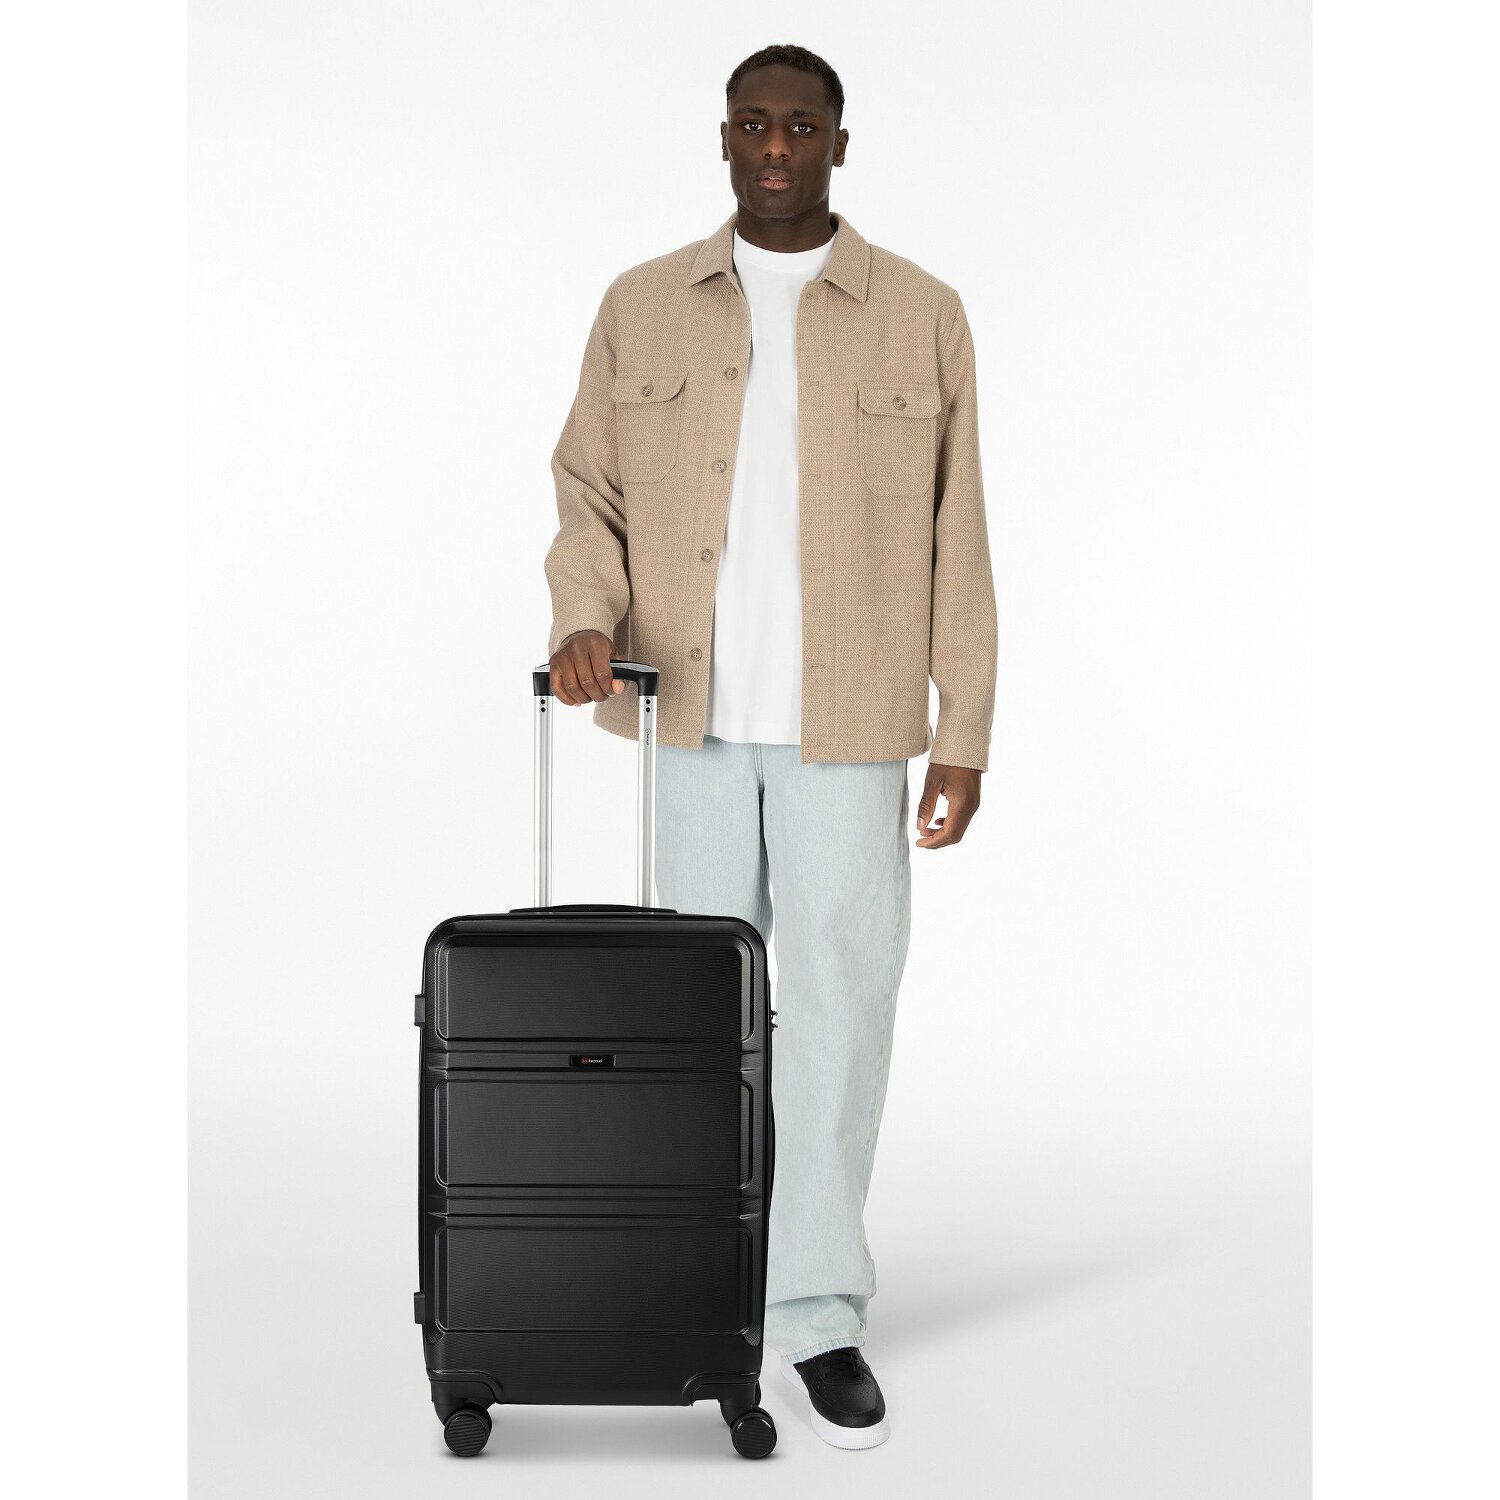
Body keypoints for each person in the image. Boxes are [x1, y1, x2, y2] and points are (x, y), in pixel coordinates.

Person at [541, 43, 997, 1450]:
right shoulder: (641, 305)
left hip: (850, 728)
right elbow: (587, 492)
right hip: (684, 717)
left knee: (841, 1013)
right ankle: (700, 1276)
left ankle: (813, 1311)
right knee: (698, 1020)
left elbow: (960, 533)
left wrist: (964, 728)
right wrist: (584, 616)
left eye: (804, 125)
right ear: (725, 138)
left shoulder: (921, 313)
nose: (779, 147)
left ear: (840, 143)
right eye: (756, 124)